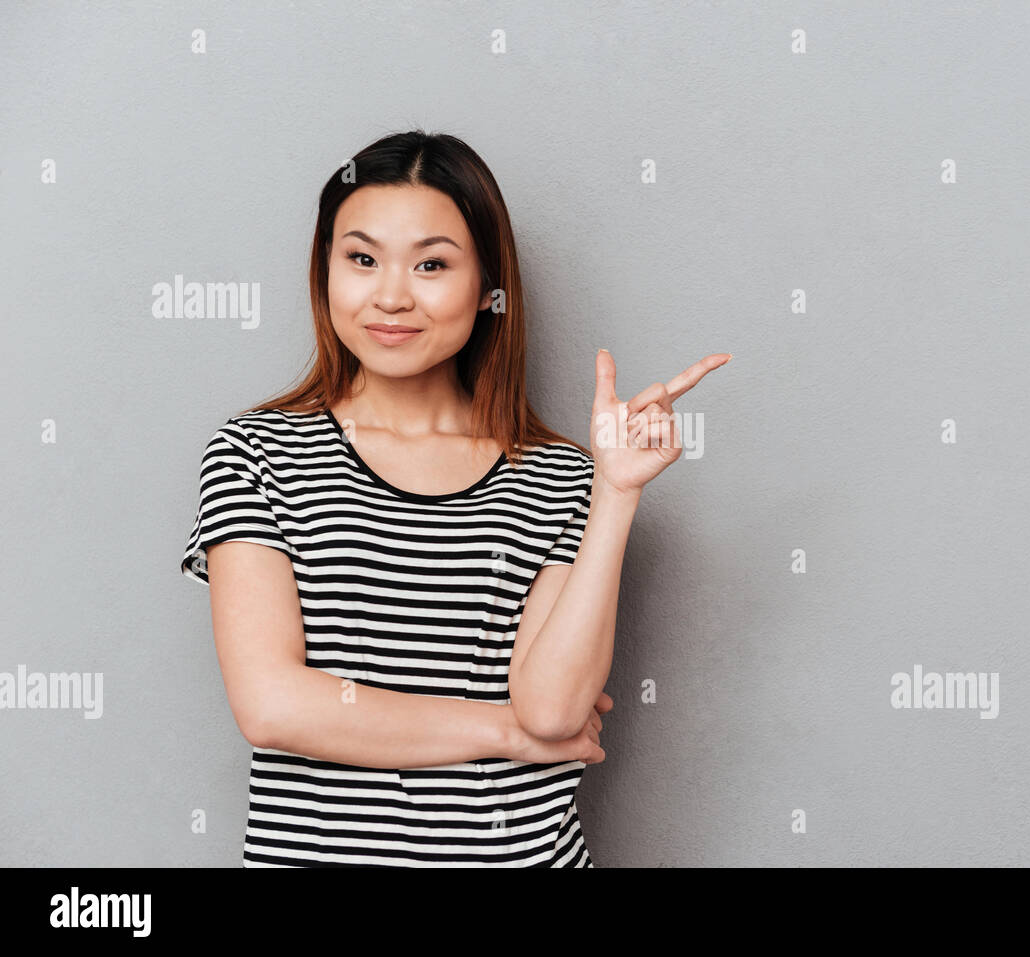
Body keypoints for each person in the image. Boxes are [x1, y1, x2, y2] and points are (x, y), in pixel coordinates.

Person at [180, 130, 730, 866]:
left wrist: (616, 491)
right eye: (362, 258)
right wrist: (504, 732)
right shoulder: (257, 453)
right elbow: (274, 706)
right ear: (325, 271)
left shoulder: (560, 477)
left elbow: (555, 710)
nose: (392, 295)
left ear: (487, 288)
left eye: (432, 263)